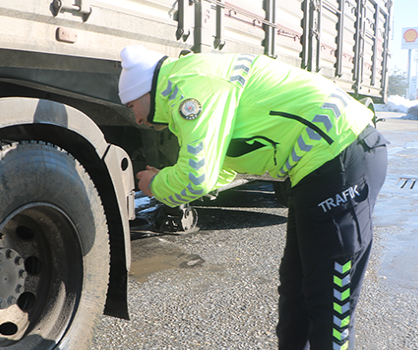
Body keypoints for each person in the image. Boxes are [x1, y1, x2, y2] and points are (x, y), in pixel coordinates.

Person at [118, 45, 388, 350]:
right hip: (317, 169)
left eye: (132, 106)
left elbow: (197, 176)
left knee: (330, 298)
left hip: (341, 157)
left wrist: (157, 185)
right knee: (296, 289)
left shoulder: (190, 88)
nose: (136, 119)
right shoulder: (191, 82)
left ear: (147, 91)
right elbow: (219, 166)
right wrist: (167, 178)